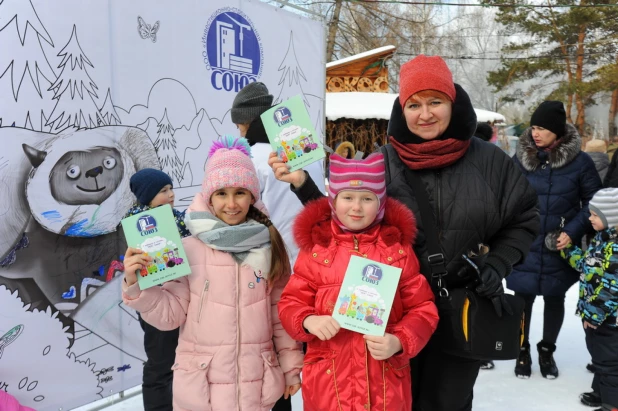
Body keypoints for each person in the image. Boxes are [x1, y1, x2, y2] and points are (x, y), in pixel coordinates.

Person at [269, 55, 539, 411]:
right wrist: (303, 185)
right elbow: (349, 218)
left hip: (460, 308)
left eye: (435, 102)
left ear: (452, 102)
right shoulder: (384, 163)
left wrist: (498, 263)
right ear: (402, 108)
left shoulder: (491, 163)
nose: (424, 114)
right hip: (388, 313)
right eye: (414, 104)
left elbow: (524, 218)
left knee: (448, 404)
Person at [121, 137, 303, 411]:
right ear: (209, 196)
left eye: (240, 192)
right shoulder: (189, 248)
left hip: (258, 389)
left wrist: (290, 367)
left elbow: (281, 315)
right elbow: (170, 316)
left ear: (252, 196)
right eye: (221, 193)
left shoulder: (270, 246)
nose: (231, 204)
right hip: (202, 392)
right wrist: (138, 285)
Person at [278, 152, 439, 410]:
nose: (356, 207)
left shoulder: (396, 251)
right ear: (333, 200)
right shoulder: (317, 250)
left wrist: (398, 341)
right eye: (348, 197)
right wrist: (309, 320)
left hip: (385, 387)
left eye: (367, 198)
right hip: (329, 388)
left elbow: (423, 309)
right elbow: (290, 302)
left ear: (381, 203)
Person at [508, 101, 602, 379]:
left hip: (558, 244)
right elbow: (507, 196)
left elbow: (593, 202)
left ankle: (547, 350)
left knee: (554, 297)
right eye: (534, 127)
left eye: (543, 128)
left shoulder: (581, 162)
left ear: (557, 132)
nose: (535, 133)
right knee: (521, 299)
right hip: (526, 241)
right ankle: (521, 350)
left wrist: (572, 231)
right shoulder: (521, 159)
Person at [231, 81, 325, 268]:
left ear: (243, 122)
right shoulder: (308, 149)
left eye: (238, 125)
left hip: (276, 257)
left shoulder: (252, 156)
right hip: (315, 252)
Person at [125, 168, 190, 411]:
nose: (171, 195)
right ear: (147, 196)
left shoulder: (179, 218)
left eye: (171, 188)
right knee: (161, 361)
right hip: (155, 304)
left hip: (182, 298)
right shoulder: (136, 228)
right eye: (164, 191)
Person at [561, 188, 618, 411]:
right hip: (596, 317)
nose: (589, 218)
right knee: (600, 358)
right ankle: (601, 393)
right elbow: (588, 265)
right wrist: (567, 250)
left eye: (595, 215)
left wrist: (595, 316)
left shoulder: (614, 249)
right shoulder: (602, 240)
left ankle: (612, 404)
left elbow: (612, 289)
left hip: (609, 320)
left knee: (610, 363)